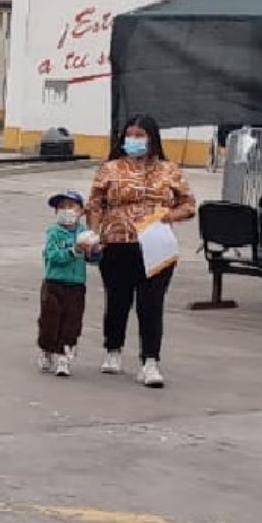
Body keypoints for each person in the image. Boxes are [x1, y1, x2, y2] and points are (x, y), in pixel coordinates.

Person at [86, 115, 197, 388]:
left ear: (151, 138)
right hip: (117, 244)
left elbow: (189, 204)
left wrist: (168, 216)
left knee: (151, 304)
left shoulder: (169, 170)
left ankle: (150, 361)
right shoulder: (110, 169)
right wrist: (94, 233)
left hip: (156, 245)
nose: (134, 140)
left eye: (140, 135)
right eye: (130, 135)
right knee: (118, 301)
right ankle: (113, 349)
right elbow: (95, 204)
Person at [37, 190, 89, 377]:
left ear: (81, 211)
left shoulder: (85, 233)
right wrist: (73, 251)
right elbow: (53, 256)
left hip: (76, 285)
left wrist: (95, 250)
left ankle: (64, 355)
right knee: (50, 319)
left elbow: (93, 258)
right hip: (54, 283)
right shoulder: (54, 233)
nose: (66, 210)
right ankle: (46, 349)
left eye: (70, 206)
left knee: (72, 321)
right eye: (61, 207)